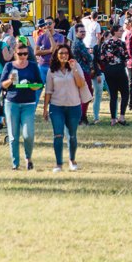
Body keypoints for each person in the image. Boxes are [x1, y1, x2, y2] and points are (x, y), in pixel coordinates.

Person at [0, 40, 44, 171]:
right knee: (13, 135)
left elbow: (40, 83)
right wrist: (10, 81)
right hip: (11, 103)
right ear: (15, 53)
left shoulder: (32, 66)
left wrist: (35, 87)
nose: (23, 56)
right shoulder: (9, 66)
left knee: (28, 134)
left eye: (25, 54)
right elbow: (1, 85)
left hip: (28, 103)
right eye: (20, 54)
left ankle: (28, 158)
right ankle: (15, 164)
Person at [45, 44, 87, 173]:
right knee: (58, 135)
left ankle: (72, 160)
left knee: (72, 135)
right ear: (56, 56)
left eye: (66, 53)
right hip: (56, 106)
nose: (64, 56)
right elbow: (48, 91)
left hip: (73, 106)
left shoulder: (75, 66)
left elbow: (81, 84)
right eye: (61, 53)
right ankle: (58, 164)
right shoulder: (52, 70)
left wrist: (74, 69)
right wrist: (45, 108)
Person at [99, 24, 130, 124]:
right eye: (120, 31)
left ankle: (113, 119)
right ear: (115, 31)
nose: (121, 32)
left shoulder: (105, 43)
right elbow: (126, 57)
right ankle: (121, 116)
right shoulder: (121, 43)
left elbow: (102, 58)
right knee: (125, 92)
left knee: (113, 95)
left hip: (109, 69)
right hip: (119, 69)